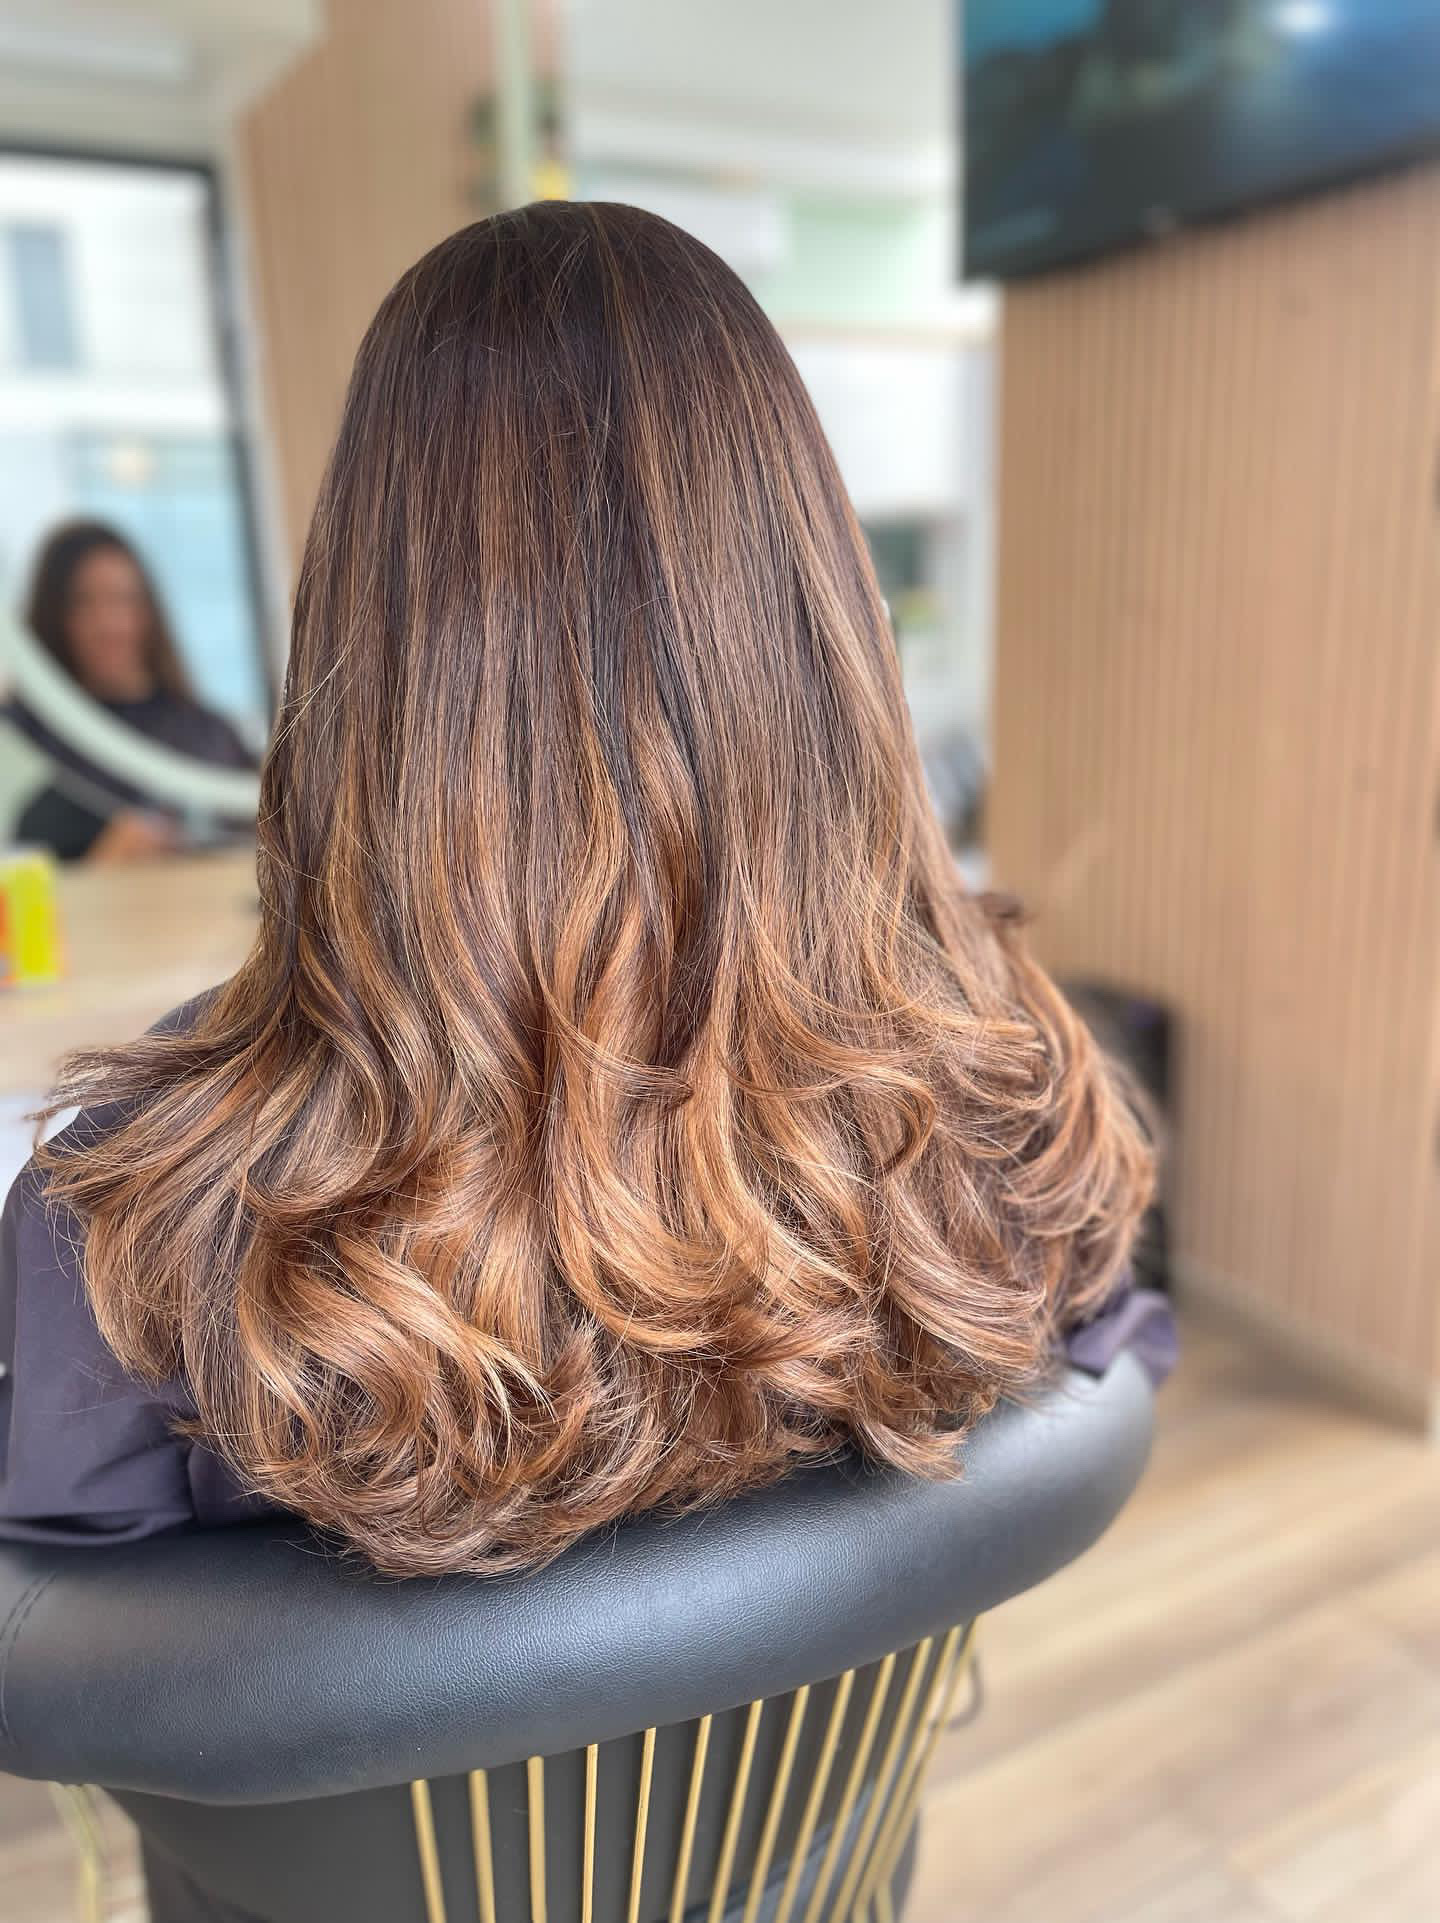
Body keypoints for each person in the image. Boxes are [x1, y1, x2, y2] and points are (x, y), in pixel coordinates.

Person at [0, 204, 1168, 1577]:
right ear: (818, 611)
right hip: (845, 1732)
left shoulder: (142, 1227)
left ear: (368, 633)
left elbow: (90, 1637)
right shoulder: (1022, 1093)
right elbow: (1104, 1373)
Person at [6, 519, 256, 862]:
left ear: (148, 609)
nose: (109, 623)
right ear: (55, 613)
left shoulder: (210, 734)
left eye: (123, 599)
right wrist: (102, 865)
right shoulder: (26, 738)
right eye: (83, 602)